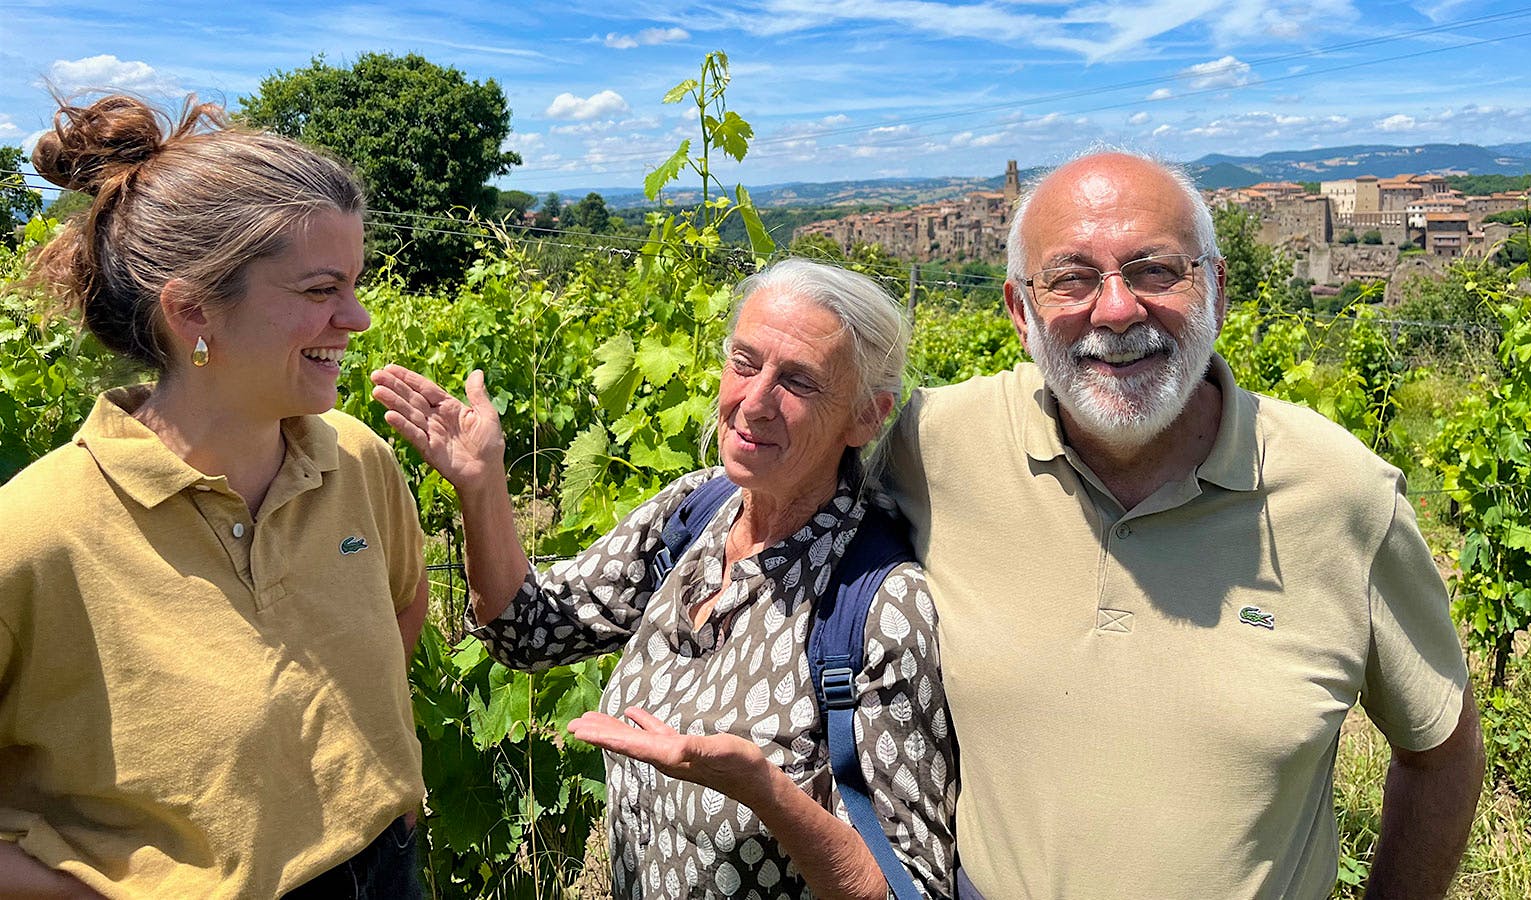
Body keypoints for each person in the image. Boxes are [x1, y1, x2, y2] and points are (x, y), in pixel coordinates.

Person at [882, 150, 1484, 899]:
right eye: (1071, 278)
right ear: (1019, 313)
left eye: (1154, 270)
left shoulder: (1344, 495)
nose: (1116, 310)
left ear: (1217, 290)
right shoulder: (932, 446)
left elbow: (1442, 753)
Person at [372, 258, 956, 900]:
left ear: (868, 417)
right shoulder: (694, 511)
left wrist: (768, 795)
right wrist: (482, 488)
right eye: (744, 361)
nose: (754, 402)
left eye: (799, 382)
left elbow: (912, 890)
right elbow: (529, 631)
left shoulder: (881, 607)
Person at [0, 95, 427, 899]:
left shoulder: (357, 460)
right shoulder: (34, 533)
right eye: (319, 290)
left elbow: (403, 610)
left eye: (357, 283)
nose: (359, 317)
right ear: (193, 310)